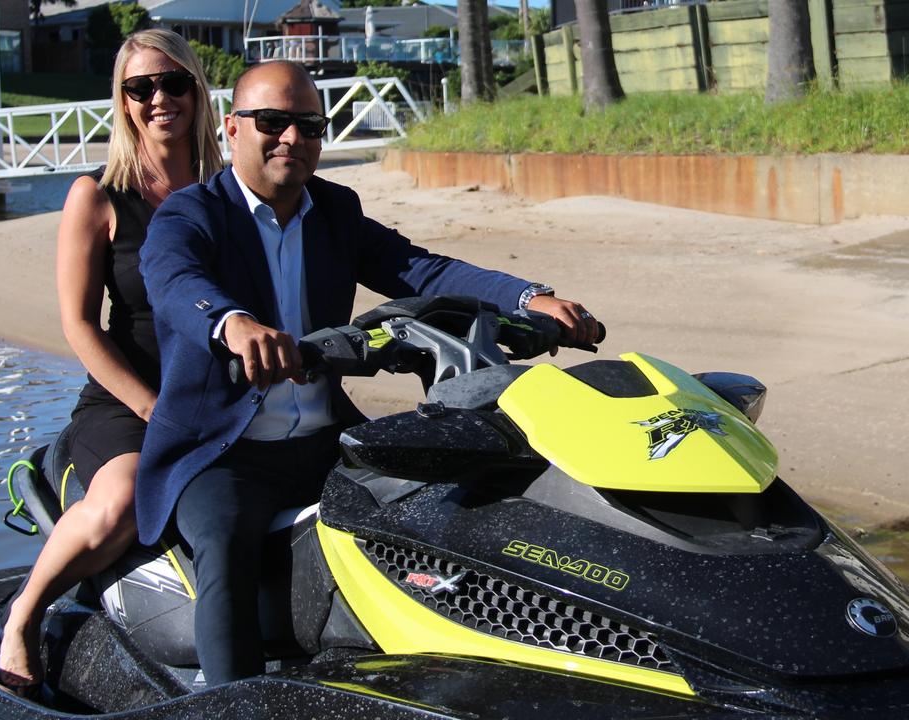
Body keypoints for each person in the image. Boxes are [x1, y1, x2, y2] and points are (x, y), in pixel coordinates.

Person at [135, 60, 598, 686]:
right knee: (225, 547)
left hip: (327, 440)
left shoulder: (334, 209)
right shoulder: (192, 213)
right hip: (223, 451)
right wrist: (231, 322)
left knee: (447, 507)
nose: (292, 140)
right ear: (234, 126)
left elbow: (421, 270)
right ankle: (230, 699)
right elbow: (172, 279)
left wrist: (527, 298)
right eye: (272, 122)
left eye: (309, 126)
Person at [0, 29, 223, 692]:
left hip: (218, 394)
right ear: (123, 102)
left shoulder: (229, 191)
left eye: (173, 82)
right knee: (125, 495)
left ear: (196, 90)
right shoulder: (97, 196)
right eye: (141, 87)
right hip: (127, 400)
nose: (160, 98)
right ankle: (24, 614)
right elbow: (78, 324)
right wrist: (154, 410)